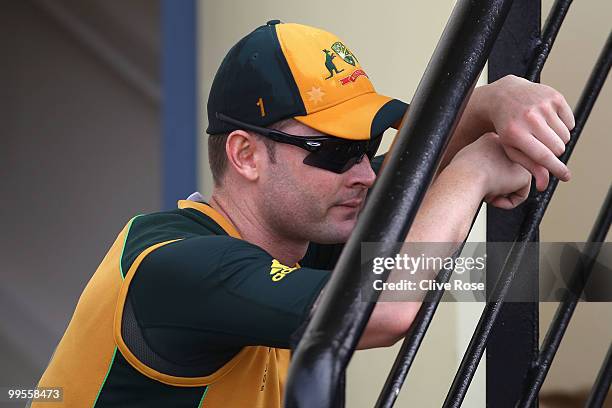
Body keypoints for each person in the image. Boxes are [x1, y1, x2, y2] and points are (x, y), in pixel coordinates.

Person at [33, 21, 574, 407]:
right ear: (246, 155)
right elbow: (384, 310)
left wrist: (489, 103)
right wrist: (472, 173)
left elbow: (406, 177)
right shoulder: (175, 265)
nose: (361, 171)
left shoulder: (298, 232)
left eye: (364, 145)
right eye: (334, 152)